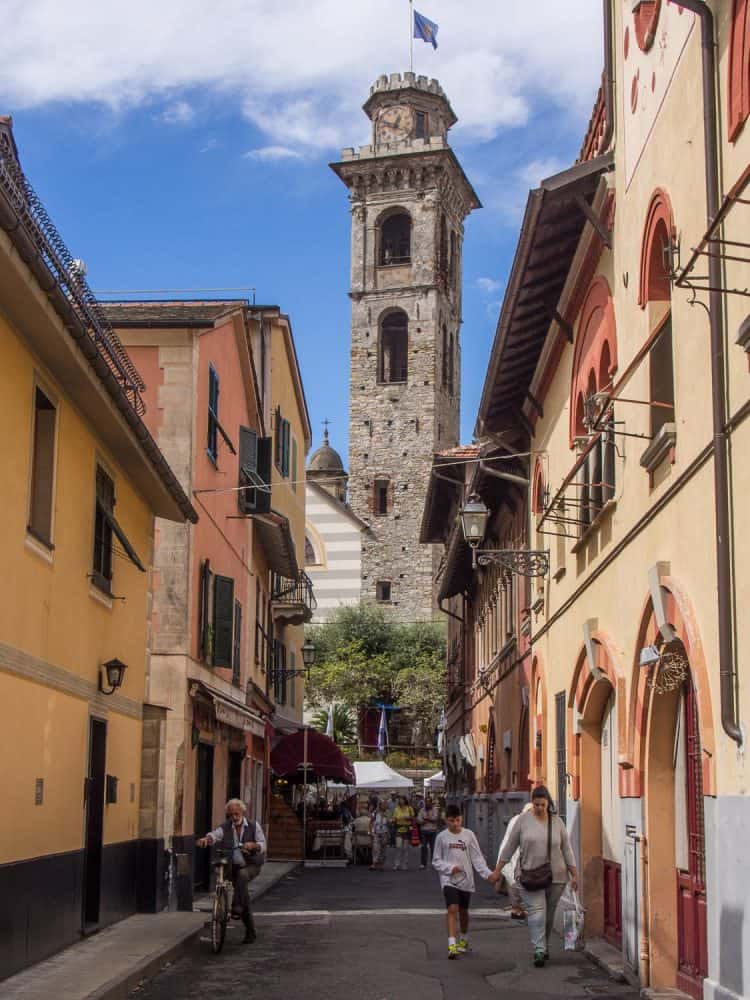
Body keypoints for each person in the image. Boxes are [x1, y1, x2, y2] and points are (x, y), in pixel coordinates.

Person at [491, 785, 578, 967]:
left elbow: (567, 850)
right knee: (537, 913)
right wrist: (498, 870)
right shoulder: (522, 821)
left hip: (557, 876)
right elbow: (509, 847)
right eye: (536, 804)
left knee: (548, 915)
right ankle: (539, 949)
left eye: (543, 805)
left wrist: (574, 874)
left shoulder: (557, 823)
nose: (539, 808)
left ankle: (543, 946)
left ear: (548, 804)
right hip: (530, 875)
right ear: (532, 803)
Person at [196, 798, 266, 944]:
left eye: (236, 814)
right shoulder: (226, 827)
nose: (234, 817)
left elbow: (262, 844)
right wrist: (206, 839)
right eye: (231, 815)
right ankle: (250, 931)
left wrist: (254, 845)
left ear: (242, 812)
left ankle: (236, 908)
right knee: (243, 894)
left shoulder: (254, 826)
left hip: (250, 865)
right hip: (232, 866)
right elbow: (215, 835)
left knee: (242, 876)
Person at [432, 803, 494, 960]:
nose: (455, 824)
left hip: (466, 880)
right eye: (452, 821)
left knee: (463, 912)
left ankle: (464, 939)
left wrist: (488, 874)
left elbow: (477, 857)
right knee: (452, 908)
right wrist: (449, 868)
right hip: (448, 880)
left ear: (461, 819)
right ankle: (452, 945)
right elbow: (436, 861)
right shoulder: (441, 837)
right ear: (446, 820)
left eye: (458, 820)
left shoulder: (469, 835)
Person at [496, 802, 534, 918]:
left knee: (516, 883)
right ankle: (516, 909)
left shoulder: (528, 822)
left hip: (517, 858)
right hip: (510, 857)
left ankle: (518, 909)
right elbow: (513, 842)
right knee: (513, 883)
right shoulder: (518, 821)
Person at [392, 795, 415, 870]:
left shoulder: (409, 808)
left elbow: (413, 818)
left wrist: (409, 818)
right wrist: (393, 820)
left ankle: (405, 864)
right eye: (399, 800)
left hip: (407, 828)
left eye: (402, 799)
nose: (401, 801)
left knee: (405, 848)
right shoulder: (396, 809)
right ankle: (397, 864)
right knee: (398, 847)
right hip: (399, 828)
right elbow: (394, 819)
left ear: (405, 800)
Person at [417, 796, 440, 869]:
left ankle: (434, 863)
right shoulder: (422, 810)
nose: (427, 803)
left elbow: (435, 818)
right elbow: (419, 820)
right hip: (424, 831)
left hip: (432, 831)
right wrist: (425, 820)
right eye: (426, 802)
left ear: (431, 802)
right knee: (424, 847)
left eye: (429, 802)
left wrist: (427, 819)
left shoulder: (434, 810)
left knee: (433, 848)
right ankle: (423, 863)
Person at [370, 801, 390, 870]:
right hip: (376, 832)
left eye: (385, 805)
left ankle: (381, 864)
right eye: (383, 805)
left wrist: (387, 818)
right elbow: (371, 822)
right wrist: (371, 832)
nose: (384, 806)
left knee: (383, 849)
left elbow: (391, 822)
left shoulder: (388, 813)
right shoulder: (375, 813)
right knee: (375, 848)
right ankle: (374, 863)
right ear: (380, 805)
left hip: (384, 832)